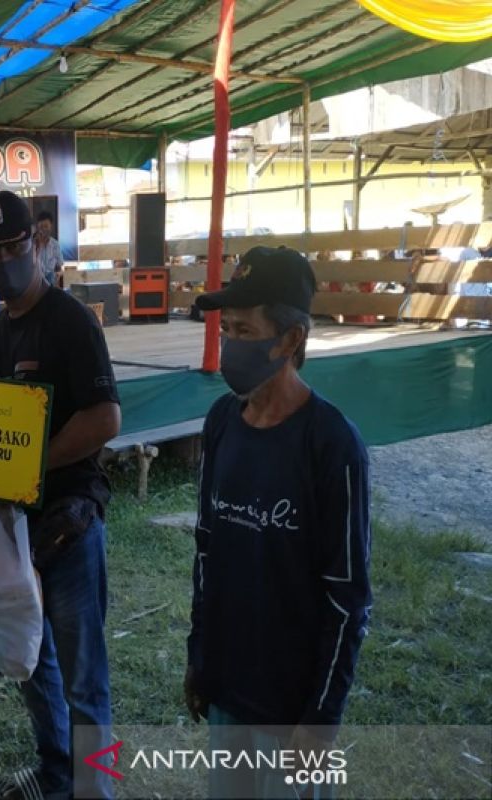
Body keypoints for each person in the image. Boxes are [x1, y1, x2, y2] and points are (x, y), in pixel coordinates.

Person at [185, 247, 372, 799]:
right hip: (229, 693)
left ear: (290, 340)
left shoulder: (332, 446)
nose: (230, 345)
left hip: (292, 708)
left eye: (244, 330)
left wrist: (320, 718)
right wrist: (201, 659)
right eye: (227, 329)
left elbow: (347, 599)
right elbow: (206, 549)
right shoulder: (222, 420)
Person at [0, 191, 121, 800]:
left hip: (71, 525)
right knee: (31, 662)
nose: (5, 260)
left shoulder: (71, 321)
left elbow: (105, 419)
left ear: (39, 241)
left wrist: (26, 465)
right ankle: (59, 774)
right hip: (14, 530)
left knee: (86, 679)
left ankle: (96, 792)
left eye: (14, 246)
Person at [33, 211, 63, 287]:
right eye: (41, 227)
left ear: (51, 226)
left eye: (46, 226)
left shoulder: (55, 245)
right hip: (36, 283)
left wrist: (58, 274)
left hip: (51, 282)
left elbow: (59, 267)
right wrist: (38, 245)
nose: (43, 229)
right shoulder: (32, 244)